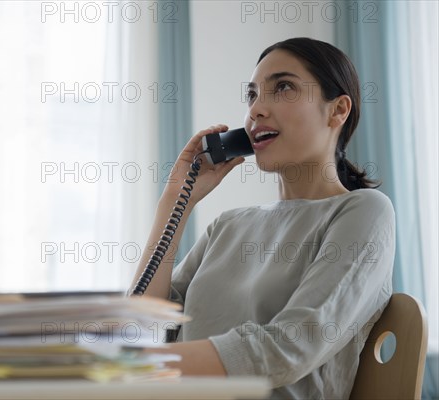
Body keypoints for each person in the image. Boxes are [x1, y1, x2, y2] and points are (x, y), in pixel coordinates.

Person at [129, 37, 395, 399]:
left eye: (282, 87)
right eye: (252, 95)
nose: (256, 110)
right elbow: (142, 327)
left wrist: (136, 364)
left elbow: (287, 348)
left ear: (338, 110)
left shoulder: (364, 211)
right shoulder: (228, 225)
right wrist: (175, 200)